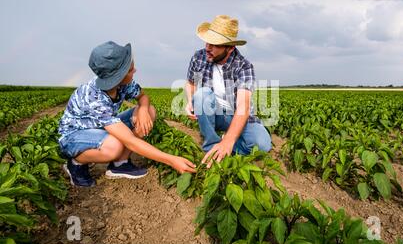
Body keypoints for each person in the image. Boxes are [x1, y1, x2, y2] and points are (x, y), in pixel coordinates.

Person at [58, 41, 196, 187]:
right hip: (74, 137)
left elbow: (143, 97)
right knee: (114, 146)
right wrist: (171, 159)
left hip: (100, 127)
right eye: (130, 70)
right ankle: (75, 164)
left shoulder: (125, 83)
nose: (134, 70)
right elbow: (130, 140)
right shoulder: (94, 97)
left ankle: (120, 164)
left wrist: (142, 109)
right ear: (117, 77)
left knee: (150, 111)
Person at [184, 15, 272, 167]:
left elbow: (243, 107)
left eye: (215, 44)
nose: (207, 48)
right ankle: (211, 147)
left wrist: (228, 141)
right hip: (213, 115)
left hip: (237, 115)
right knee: (202, 95)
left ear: (230, 48)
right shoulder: (199, 57)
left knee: (262, 145)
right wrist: (189, 101)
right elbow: (190, 83)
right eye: (207, 42)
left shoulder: (243, 66)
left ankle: (226, 144)